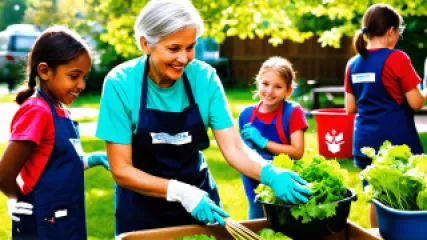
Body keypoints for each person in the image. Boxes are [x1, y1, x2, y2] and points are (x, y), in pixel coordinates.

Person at [96, 0, 311, 235]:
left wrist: (269, 173)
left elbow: (234, 147)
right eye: (174, 48)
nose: (184, 58)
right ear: (146, 44)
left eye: (190, 47)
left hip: (200, 202)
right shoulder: (121, 83)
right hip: (141, 209)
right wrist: (181, 192)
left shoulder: (204, 78)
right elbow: (122, 169)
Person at [0, 26, 110, 240]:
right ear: (44, 71)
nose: (81, 85)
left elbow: (57, 163)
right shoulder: (36, 112)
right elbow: (4, 174)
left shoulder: (62, 113)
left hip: (68, 222)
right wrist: (18, 201)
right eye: (74, 76)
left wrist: (92, 160)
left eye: (84, 77)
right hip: (43, 225)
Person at [344, 3, 427, 228]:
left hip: (364, 142)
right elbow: (416, 102)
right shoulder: (397, 58)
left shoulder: (353, 64)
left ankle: (376, 235)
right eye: (399, 31)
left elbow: (350, 107)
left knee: (378, 198)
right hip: (397, 142)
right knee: (406, 197)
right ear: (390, 31)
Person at [238, 57, 309, 219]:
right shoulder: (246, 115)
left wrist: (263, 142)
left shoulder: (293, 112)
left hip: (285, 188)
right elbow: (240, 152)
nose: (269, 91)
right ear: (258, 83)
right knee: (257, 229)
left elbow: (297, 152)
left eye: (278, 87)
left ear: (288, 91)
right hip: (254, 186)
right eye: (265, 84)